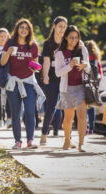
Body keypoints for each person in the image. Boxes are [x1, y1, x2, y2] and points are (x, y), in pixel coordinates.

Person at [1, 18, 45, 149]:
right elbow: (2, 63)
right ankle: (18, 141)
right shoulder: (9, 42)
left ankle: (30, 140)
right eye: (21, 27)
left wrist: (36, 67)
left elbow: (36, 65)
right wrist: (9, 52)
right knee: (16, 113)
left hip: (28, 82)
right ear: (17, 29)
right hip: (13, 82)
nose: (24, 30)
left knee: (30, 111)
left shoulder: (33, 45)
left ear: (29, 31)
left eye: (26, 28)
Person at [55, 25, 90, 152]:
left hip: (81, 86)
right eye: (71, 38)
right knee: (68, 117)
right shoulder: (59, 53)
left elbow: (89, 67)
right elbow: (58, 73)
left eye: (76, 37)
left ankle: (81, 143)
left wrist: (85, 66)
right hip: (67, 88)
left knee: (82, 114)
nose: (74, 40)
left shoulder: (82, 49)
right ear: (65, 37)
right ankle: (67, 140)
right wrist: (69, 66)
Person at [40, 16, 68, 145]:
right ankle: (44, 133)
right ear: (54, 26)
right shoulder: (48, 43)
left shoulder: (67, 42)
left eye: (64, 26)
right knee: (51, 107)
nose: (62, 29)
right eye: (60, 26)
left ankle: (67, 137)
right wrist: (45, 75)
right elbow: (46, 61)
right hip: (52, 79)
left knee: (68, 107)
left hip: (66, 78)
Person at [85, 40, 103, 135]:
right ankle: (92, 128)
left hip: (85, 84)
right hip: (94, 85)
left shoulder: (84, 57)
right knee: (92, 106)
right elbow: (100, 73)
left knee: (84, 106)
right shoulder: (96, 59)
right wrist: (97, 84)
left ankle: (86, 127)